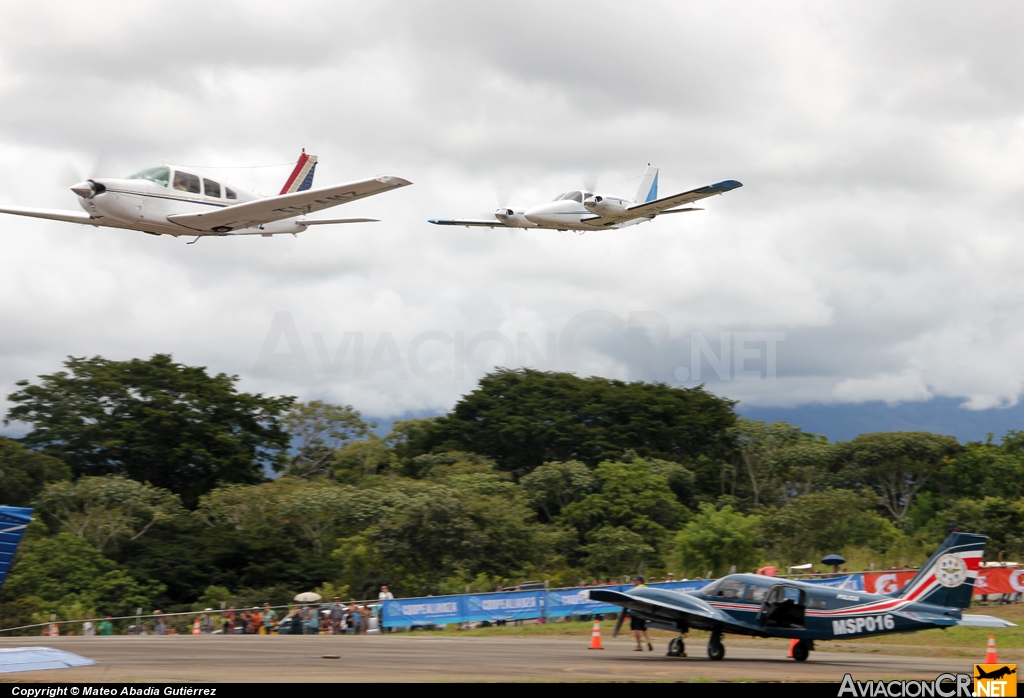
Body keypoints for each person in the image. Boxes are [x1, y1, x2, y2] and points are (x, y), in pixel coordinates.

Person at [630, 576, 653, 652]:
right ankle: (648, 641)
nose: (634, 582)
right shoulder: (646, 588)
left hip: (636, 610)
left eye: (636, 581)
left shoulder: (636, 589)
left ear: (639, 581)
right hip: (644, 610)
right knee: (644, 628)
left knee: (636, 628)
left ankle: (639, 645)